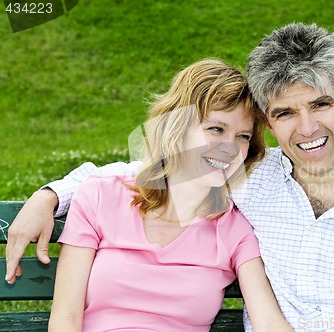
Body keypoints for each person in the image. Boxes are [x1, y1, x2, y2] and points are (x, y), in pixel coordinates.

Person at [6, 23, 334, 331]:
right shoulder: (249, 177)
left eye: (320, 104)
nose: (308, 128)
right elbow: (152, 172)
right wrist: (51, 195)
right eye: (285, 113)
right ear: (269, 125)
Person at [45, 59, 292, 331]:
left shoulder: (233, 229)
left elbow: (268, 320)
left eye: (243, 136)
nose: (230, 149)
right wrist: (45, 198)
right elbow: (64, 320)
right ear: (178, 127)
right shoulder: (100, 197)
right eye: (216, 129)